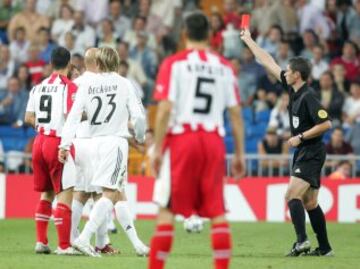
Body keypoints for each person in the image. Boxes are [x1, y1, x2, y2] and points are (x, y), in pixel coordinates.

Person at [148, 12, 245, 269]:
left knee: (167, 209)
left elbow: (165, 109)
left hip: (183, 139)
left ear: (184, 34)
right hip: (214, 140)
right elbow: (235, 114)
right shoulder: (225, 66)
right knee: (217, 211)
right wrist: (239, 155)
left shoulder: (174, 63)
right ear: (212, 37)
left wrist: (157, 149)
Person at [241, 27, 333, 256]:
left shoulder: (308, 96)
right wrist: (249, 41)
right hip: (305, 151)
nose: (285, 73)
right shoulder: (293, 88)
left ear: (297, 75)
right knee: (310, 202)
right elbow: (268, 61)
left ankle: (302, 241)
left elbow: (326, 124)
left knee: (291, 195)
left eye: (289, 71)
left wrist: (300, 137)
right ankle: (325, 248)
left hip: (311, 150)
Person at [58, 47, 146, 257]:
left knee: (98, 192)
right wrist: (141, 137)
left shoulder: (86, 84)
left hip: (90, 143)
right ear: (116, 61)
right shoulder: (124, 83)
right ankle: (84, 238)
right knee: (111, 192)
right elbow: (139, 118)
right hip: (113, 142)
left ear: (98, 62)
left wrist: (64, 144)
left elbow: (72, 116)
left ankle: (133, 244)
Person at [24, 46, 78, 255]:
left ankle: (40, 241)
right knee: (64, 193)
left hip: (39, 141)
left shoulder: (39, 87)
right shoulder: (69, 87)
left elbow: (28, 117)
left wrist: (43, 128)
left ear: (50, 63)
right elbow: (73, 115)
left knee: (46, 193)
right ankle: (64, 246)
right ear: (69, 63)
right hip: (57, 142)